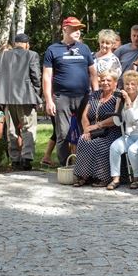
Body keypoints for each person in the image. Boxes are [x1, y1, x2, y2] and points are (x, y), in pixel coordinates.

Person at [43, 17, 96, 167]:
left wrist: (96, 94)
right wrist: (48, 100)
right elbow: (46, 76)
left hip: (84, 97)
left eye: (79, 29)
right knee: (63, 133)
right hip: (62, 97)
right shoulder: (53, 49)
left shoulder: (84, 48)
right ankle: (66, 166)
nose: (78, 32)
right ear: (65, 29)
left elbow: (93, 73)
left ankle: (84, 165)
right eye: (74, 29)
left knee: (85, 131)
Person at [0, 32, 41, 170]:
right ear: (27, 44)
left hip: (6, 97)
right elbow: (36, 76)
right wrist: (36, 94)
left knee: (11, 129)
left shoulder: (3, 55)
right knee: (28, 127)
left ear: (15, 44)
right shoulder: (32, 55)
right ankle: (26, 159)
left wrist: (3, 85)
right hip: (26, 96)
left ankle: (14, 160)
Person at [71, 71, 124, 187]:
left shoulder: (118, 96)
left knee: (100, 144)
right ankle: (84, 176)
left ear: (115, 82)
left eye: (108, 80)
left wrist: (96, 126)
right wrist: (86, 130)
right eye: (103, 80)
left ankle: (102, 177)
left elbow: (115, 118)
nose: (105, 83)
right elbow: (85, 115)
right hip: (93, 130)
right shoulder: (95, 94)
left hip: (111, 130)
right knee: (83, 140)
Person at [107, 71, 138, 190]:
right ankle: (115, 178)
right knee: (114, 147)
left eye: (132, 84)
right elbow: (117, 122)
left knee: (132, 150)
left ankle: (137, 178)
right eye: (127, 84)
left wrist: (128, 102)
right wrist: (118, 105)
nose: (129, 86)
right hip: (129, 135)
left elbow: (133, 118)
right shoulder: (122, 99)